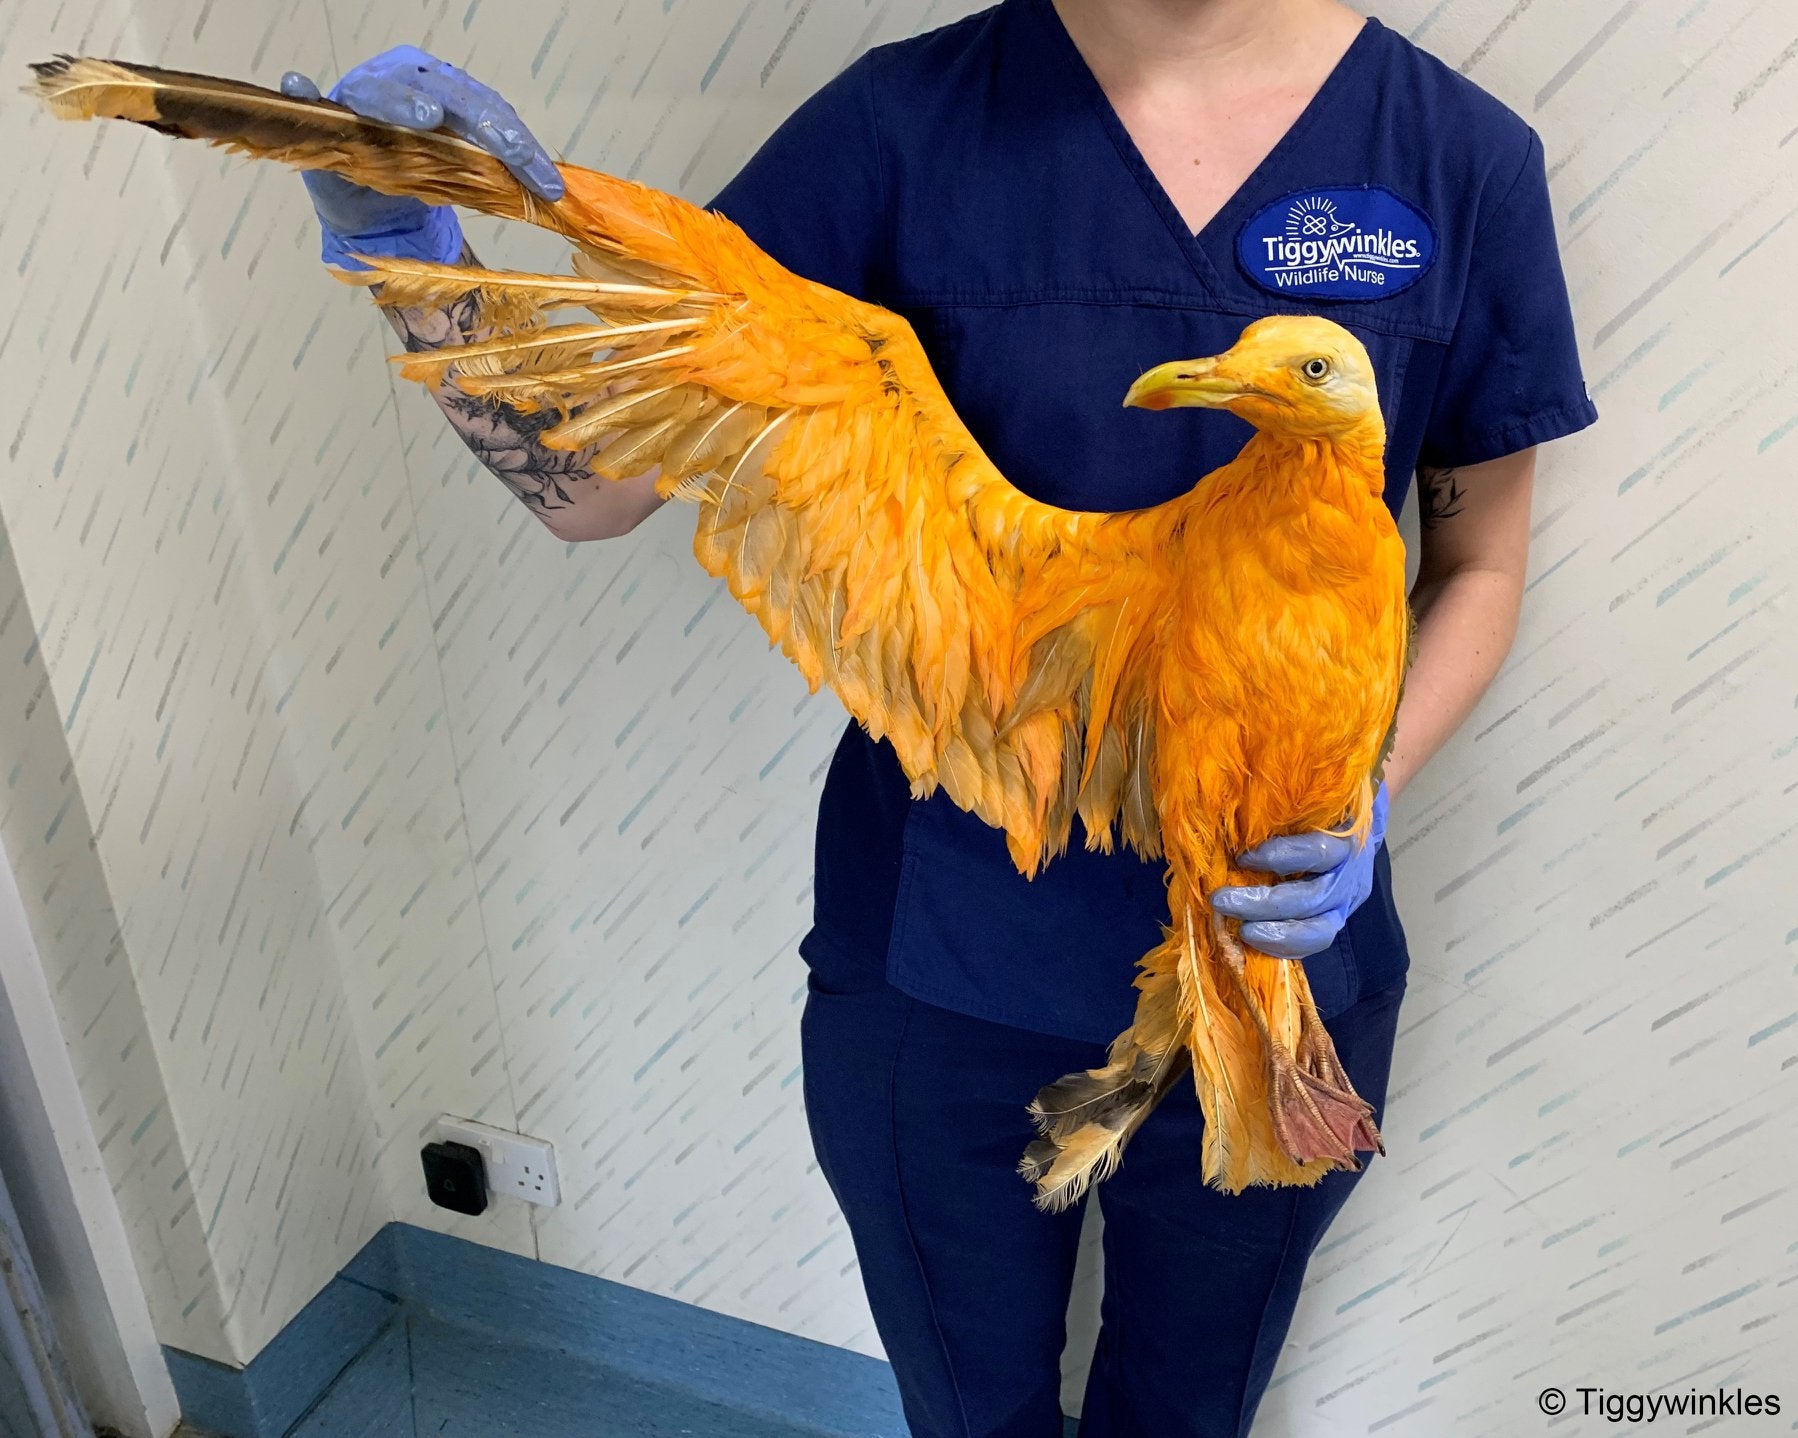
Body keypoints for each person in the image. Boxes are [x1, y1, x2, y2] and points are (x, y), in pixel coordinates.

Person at [283, 1, 1595, 1432]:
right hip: (937, 964)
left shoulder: (1457, 159)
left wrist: (1366, 781)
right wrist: (412, 270)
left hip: (1276, 967)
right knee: (969, 1414)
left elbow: (1476, 563)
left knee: (1188, 1412)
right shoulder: (899, 125)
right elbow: (599, 483)